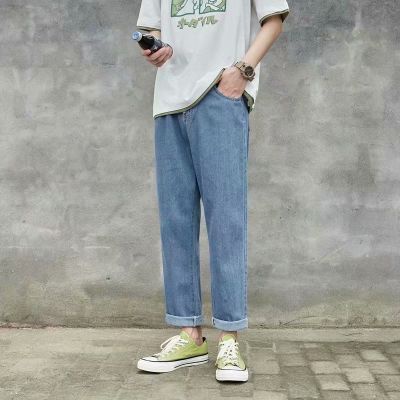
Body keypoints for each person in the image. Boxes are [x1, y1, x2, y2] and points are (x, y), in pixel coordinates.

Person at [135, 0, 289, 382]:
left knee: (226, 221)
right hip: (170, 102)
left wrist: (242, 72)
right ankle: (189, 334)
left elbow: (273, 20)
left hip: (220, 95)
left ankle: (229, 339)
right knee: (176, 222)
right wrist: (154, 48)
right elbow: (152, 28)